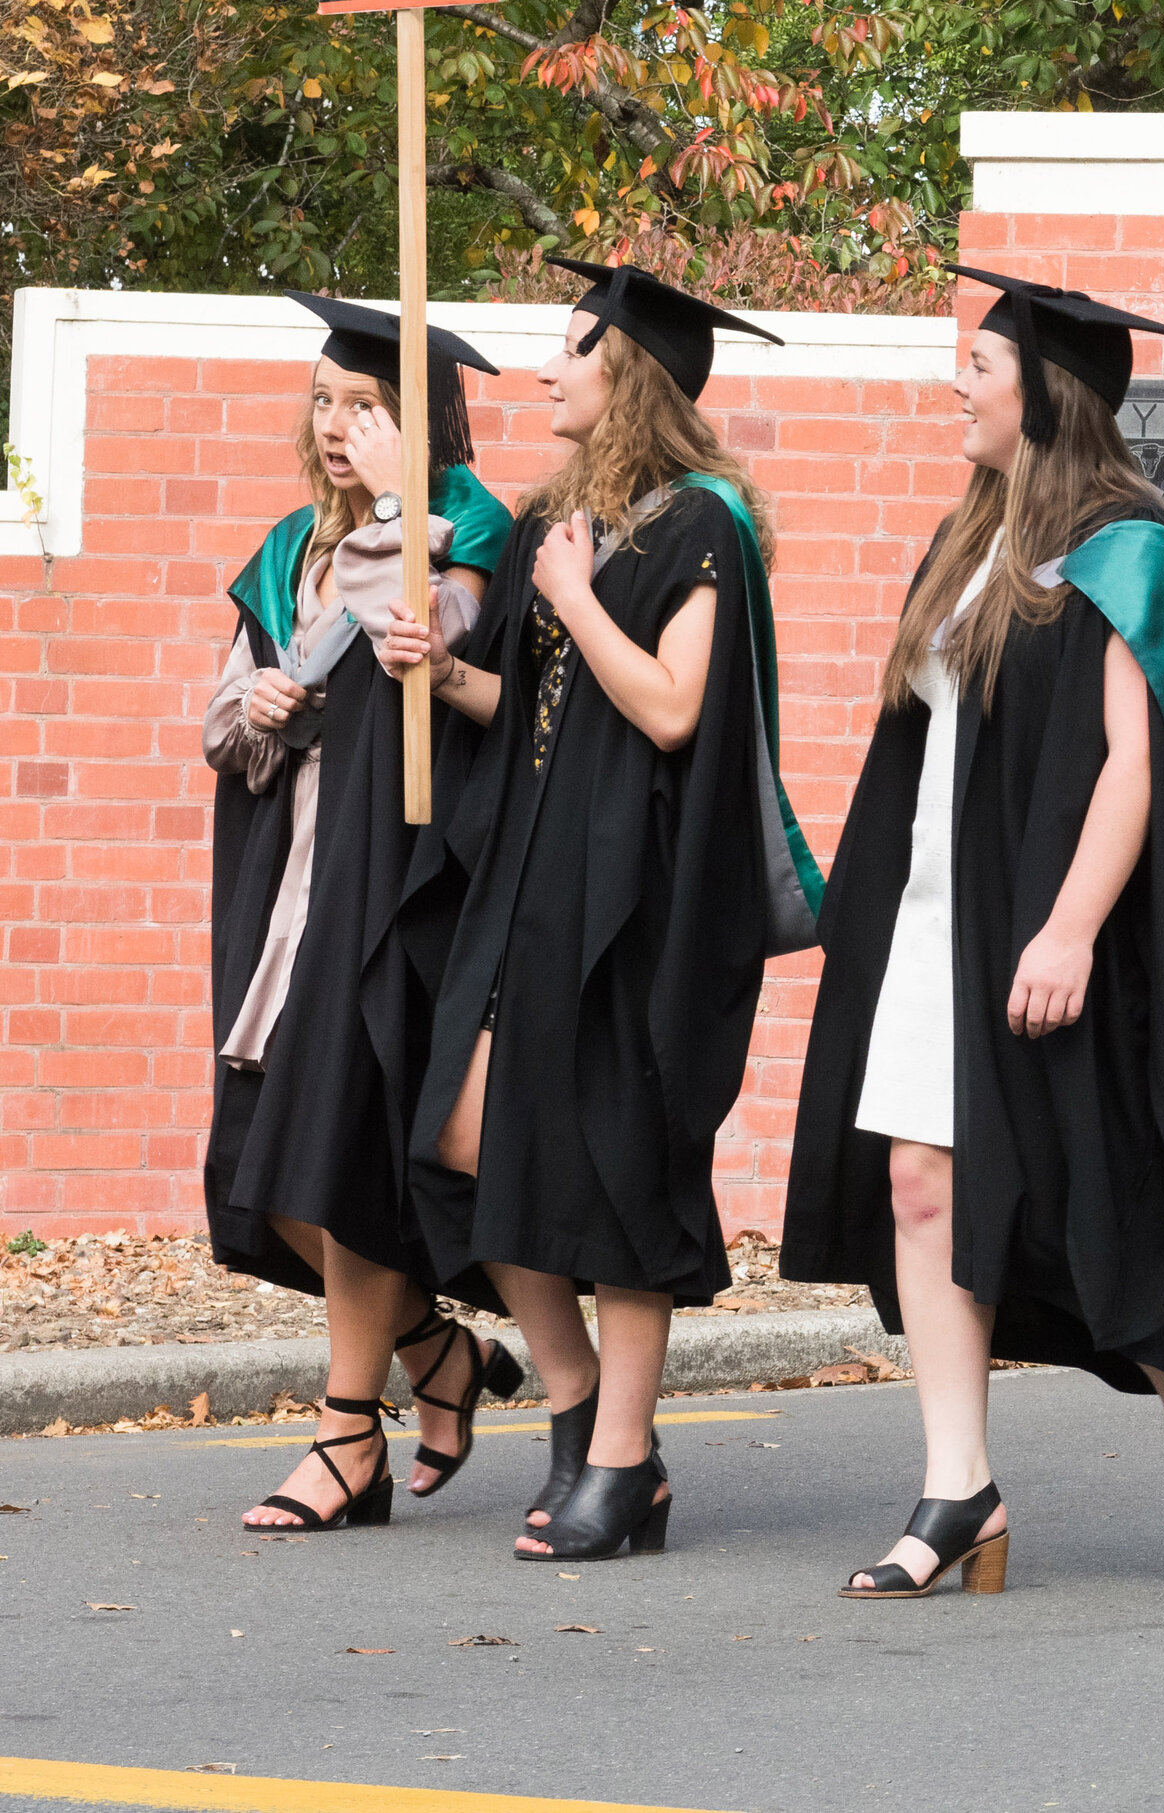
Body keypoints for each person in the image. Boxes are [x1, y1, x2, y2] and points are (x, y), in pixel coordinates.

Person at [780, 272, 1164, 1594]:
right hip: (939, 916)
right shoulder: (971, 537)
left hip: (1056, 929)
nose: (959, 383)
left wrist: (1064, 931)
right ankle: (960, 1488)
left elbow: (1134, 764)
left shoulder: (1130, 550)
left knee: (1082, 1190)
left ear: (1044, 392)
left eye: (980, 364)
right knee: (921, 1182)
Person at [383, 260, 814, 1563]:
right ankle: (575, 1401)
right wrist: (445, 668)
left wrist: (571, 598)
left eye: (574, 349)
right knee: (462, 1136)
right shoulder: (549, 521)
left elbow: (676, 708)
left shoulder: (702, 525)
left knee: (619, 1165)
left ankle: (621, 1461)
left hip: (642, 894)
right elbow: (525, 714)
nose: (549, 369)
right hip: (533, 877)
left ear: (630, 371)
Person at [207, 297, 520, 1533]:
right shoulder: (289, 545)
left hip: (397, 876)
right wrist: (264, 704)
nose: (341, 428)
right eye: (329, 403)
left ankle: (347, 1436)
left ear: (424, 422)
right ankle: (437, 1354)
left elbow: (425, 645)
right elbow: (218, 723)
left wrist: (400, 513)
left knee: (336, 1146)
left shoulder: (470, 526)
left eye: (371, 407)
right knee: (262, 1164)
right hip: (292, 877)